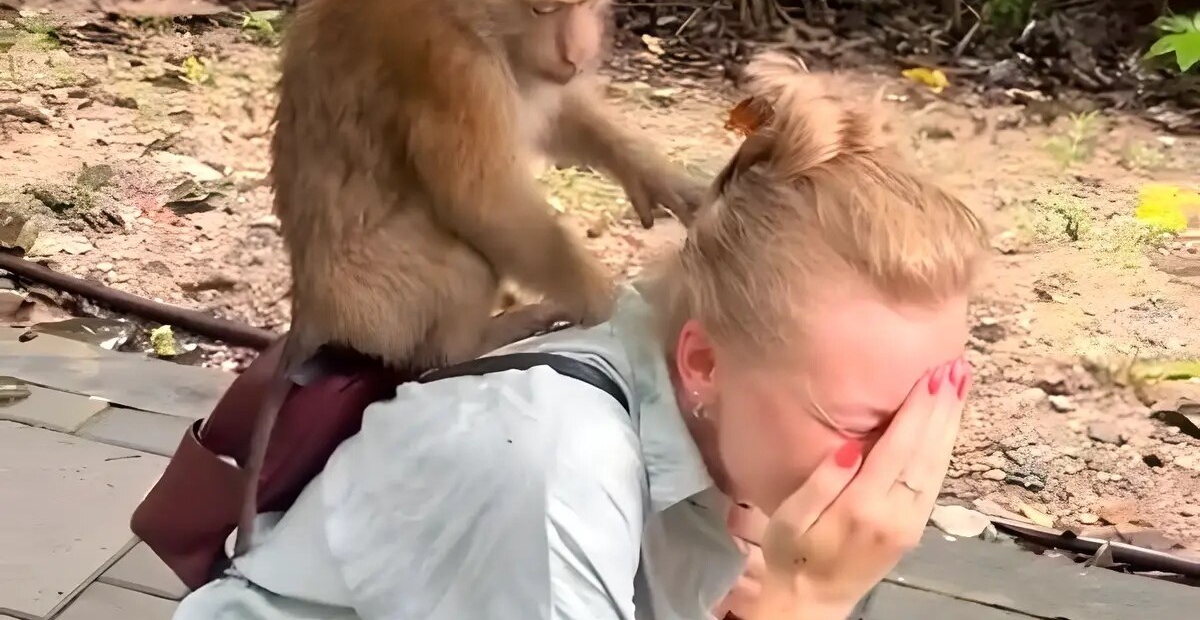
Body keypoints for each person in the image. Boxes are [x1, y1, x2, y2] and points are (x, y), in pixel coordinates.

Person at [172, 52, 988, 620]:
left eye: (929, 413)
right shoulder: (551, 468)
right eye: (861, 427)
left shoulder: (740, 435)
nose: (907, 470)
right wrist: (803, 611)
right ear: (704, 362)